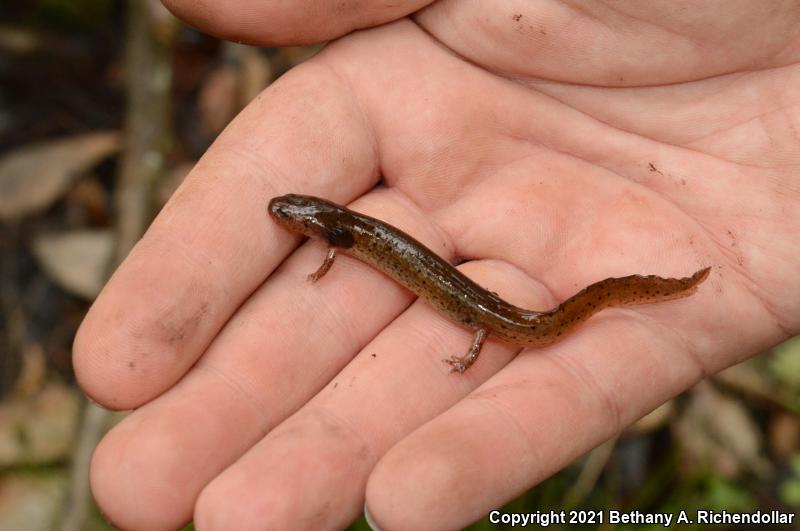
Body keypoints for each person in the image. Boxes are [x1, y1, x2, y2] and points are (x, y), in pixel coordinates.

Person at [73, 2, 800, 529]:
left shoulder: (340, 236)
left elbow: (335, 256)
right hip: (483, 306)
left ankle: (666, 291)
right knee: (494, 322)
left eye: (293, 213)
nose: (289, 219)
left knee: (499, 319)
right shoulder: (343, 227)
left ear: (318, 221)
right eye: (289, 214)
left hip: (484, 312)